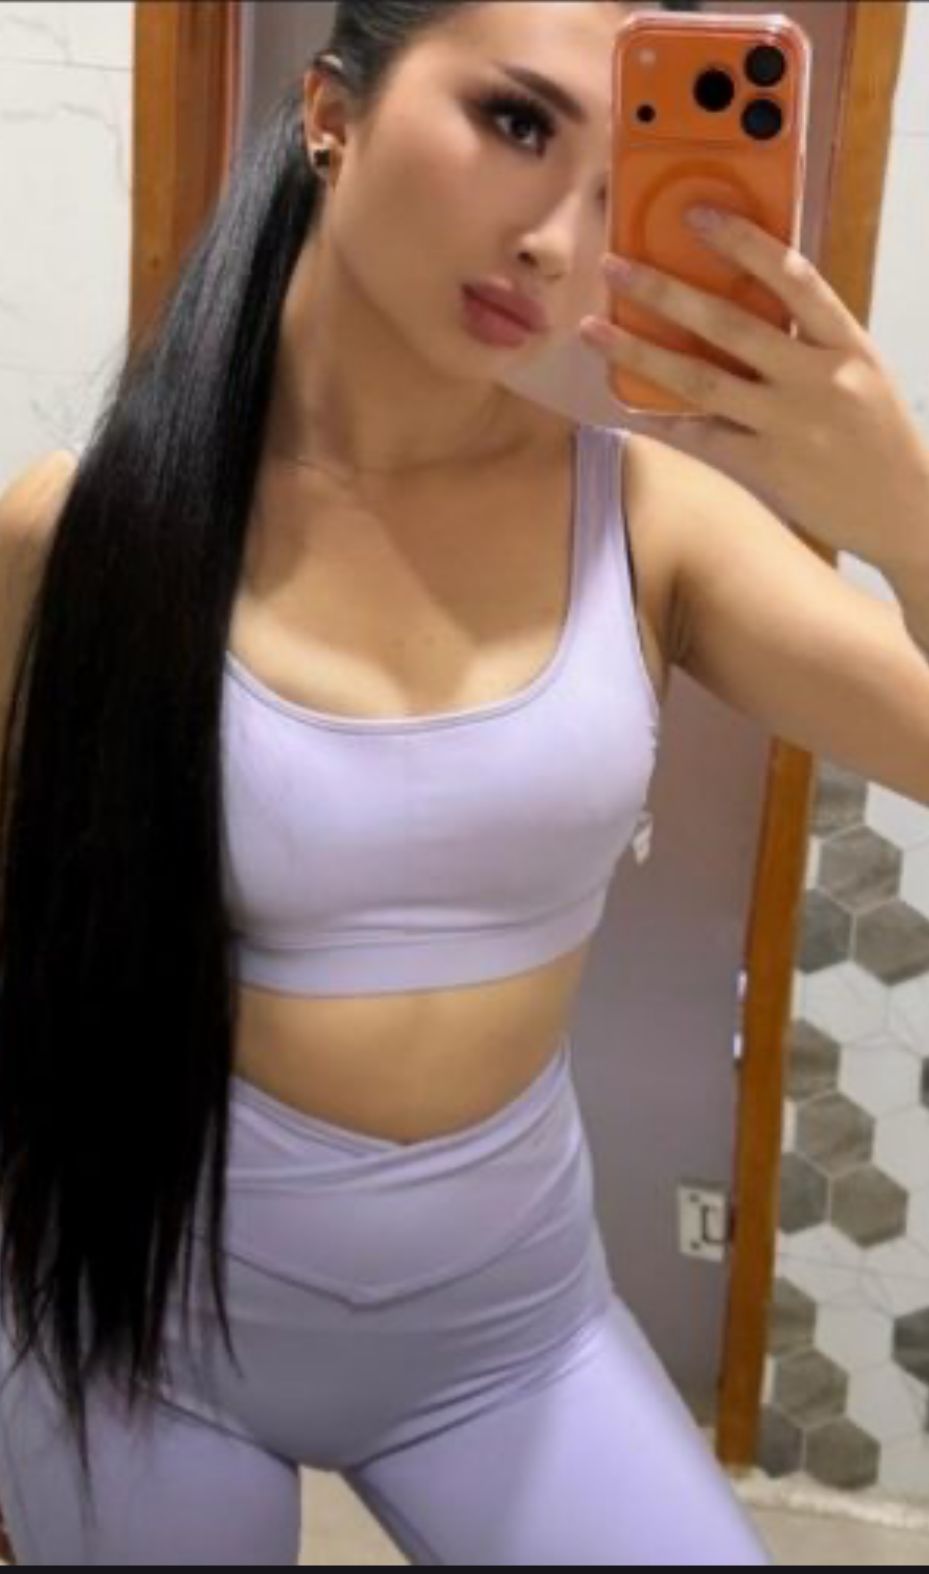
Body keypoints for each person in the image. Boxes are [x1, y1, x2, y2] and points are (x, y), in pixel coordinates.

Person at [0, 1, 784, 1563]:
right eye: (515, 123)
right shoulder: (79, 532)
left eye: (615, 190)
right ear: (330, 113)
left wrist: (893, 499)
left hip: (508, 1340)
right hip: (124, 1320)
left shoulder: (648, 517)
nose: (556, 241)